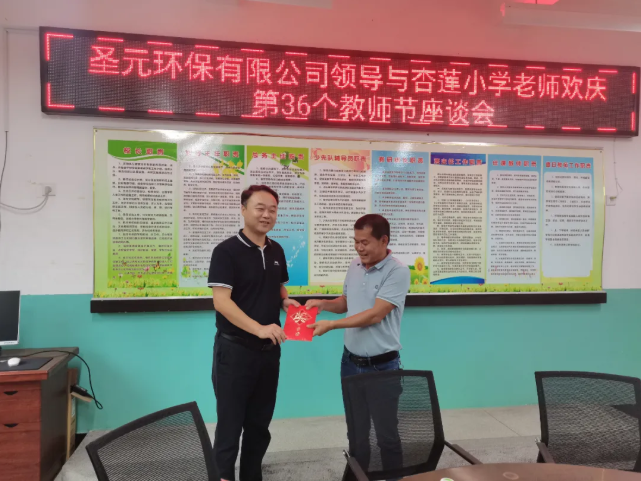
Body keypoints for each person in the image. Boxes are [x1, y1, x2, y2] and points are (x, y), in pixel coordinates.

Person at [305, 214, 411, 480]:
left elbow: (375, 314)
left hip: (382, 367)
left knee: (387, 436)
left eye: (365, 242)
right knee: (356, 433)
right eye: (356, 241)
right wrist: (322, 304)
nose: (359, 248)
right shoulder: (354, 265)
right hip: (350, 364)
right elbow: (346, 302)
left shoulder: (398, 271)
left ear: (384, 240)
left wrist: (332, 325)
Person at [207, 185, 300, 481]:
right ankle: (223, 476)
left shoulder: (276, 250)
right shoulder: (226, 251)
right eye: (260, 208)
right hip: (235, 352)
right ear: (244, 209)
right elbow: (221, 302)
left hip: (269, 353)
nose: (266, 215)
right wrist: (259, 328)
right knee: (230, 425)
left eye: (272, 210)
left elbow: (277, 286)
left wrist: (285, 301)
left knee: (259, 425)